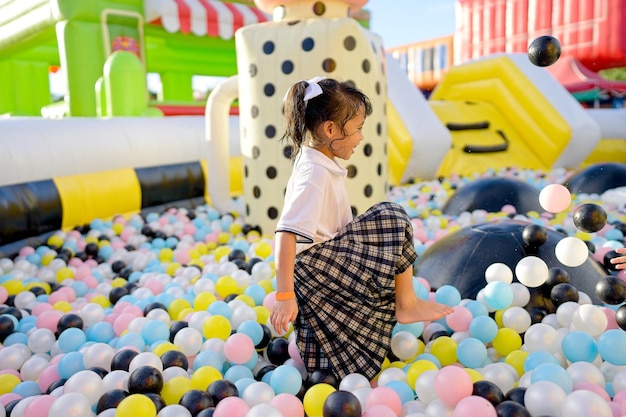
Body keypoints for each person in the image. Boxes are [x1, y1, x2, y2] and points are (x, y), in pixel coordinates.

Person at [269, 77, 454, 380]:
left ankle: (340, 361)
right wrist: (284, 294)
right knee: (391, 216)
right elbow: (286, 233)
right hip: (317, 269)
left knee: (343, 366)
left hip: (318, 272)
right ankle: (405, 303)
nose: (360, 137)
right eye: (356, 129)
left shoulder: (315, 158)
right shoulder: (313, 172)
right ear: (330, 130)